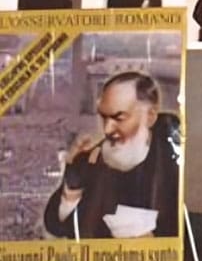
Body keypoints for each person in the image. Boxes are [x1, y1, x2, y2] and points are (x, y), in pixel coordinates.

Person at [43, 71, 180, 239]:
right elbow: (59, 227)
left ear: (150, 116)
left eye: (119, 118)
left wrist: (157, 242)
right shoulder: (97, 156)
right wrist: (72, 186)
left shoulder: (173, 154)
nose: (107, 129)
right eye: (104, 117)